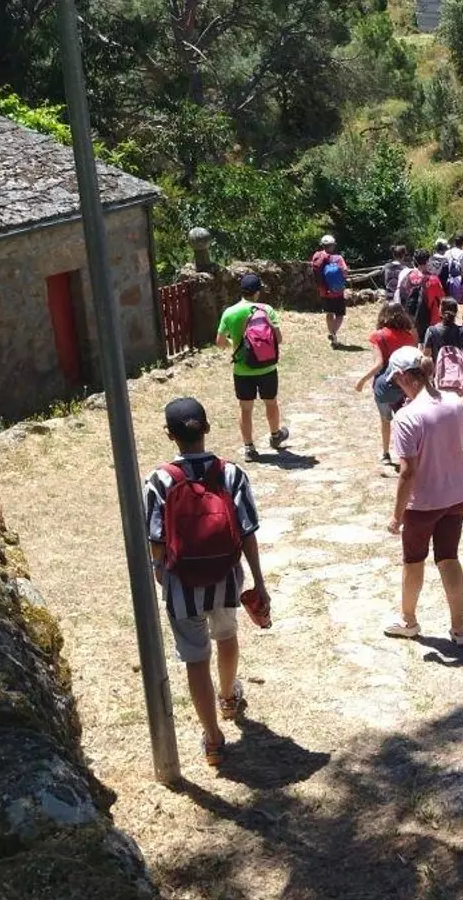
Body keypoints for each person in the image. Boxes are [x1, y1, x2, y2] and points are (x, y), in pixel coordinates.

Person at [144, 398, 268, 767]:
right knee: (226, 636)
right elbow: (247, 531)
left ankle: (213, 738)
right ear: (208, 428)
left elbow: (155, 538)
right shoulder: (231, 474)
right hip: (226, 577)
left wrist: (160, 572)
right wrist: (258, 580)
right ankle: (228, 697)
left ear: (169, 435)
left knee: (195, 657)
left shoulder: (159, 480)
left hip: (182, 583)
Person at [381, 347, 463, 646]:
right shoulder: (454, 402)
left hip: (424, 502)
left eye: (396, 380)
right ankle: (459, 628)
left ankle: (408, 620)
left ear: (402, 376)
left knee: (413, 561)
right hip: (457, 494)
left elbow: (407, 472)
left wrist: (396, 515)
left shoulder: (406, 417)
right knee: (449, 557)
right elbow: (462, 440)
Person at [214, 273, 288, 458]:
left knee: (245, 408)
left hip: (242, 370)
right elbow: (279, 339)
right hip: (267, 367)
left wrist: (234, 344)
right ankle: (275, 436)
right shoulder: (266, 309)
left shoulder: (230, 312)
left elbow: (220, 342)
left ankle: (249, 448)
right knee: (271, 402)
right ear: (257, 292)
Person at [353, 302, 418, 467]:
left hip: (384, 386)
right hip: (405, 385)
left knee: (385, 420)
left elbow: (379, 363)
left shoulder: (378, 336)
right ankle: (409, 451)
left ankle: (386, 453)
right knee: (406, 420)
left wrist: (362, 380)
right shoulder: (409, 336)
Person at [424, 298, 463, 396]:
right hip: (457, 377)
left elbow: (426, 355)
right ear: (456, 312)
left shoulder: (432, 331)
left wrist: (427, 376)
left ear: (440, 311)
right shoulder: (462, 331)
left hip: (438, 376)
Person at [396, 248, 445, 342]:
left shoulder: (406, 277)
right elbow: (442, 299)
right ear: (427, 261)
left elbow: (401, 296)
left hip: (411, 321)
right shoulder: (433, 280)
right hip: (430, 322)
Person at [310, 235, 349, 349]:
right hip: (337, 292)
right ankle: (333, 333)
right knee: (340, 315)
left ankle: (331, 333)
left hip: (323, 291)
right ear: (332, 245)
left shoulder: (317, 256)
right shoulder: (338, 258)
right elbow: (345, 272)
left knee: (329, 313)